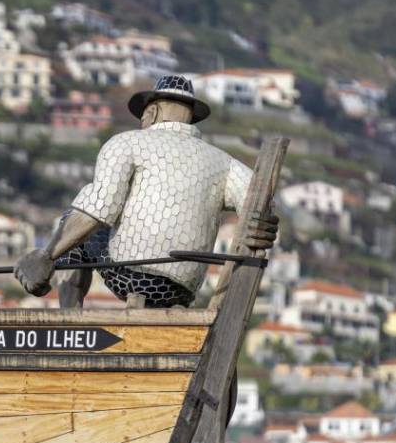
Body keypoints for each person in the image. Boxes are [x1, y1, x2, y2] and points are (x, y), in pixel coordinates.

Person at [15, 75, 278, 307]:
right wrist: (262, 226)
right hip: (182, 289)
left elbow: (100, 208)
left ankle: (71, 319)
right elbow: (259, 206)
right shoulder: (225, 163)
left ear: (151, 112)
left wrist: (47, 255)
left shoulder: (128, 142)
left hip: (132, 275)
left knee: (73, 216)